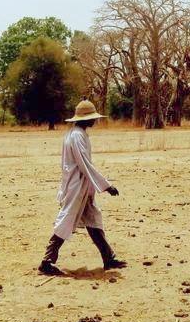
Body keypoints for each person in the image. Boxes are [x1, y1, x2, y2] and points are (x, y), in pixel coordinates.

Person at [38, 100, 127, 276]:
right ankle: (46, 262)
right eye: (92, 118)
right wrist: (106, 185)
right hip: (76, 186)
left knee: (93, 219)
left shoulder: (76, 134)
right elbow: (84, 164)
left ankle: (108, 258)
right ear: (85, 119)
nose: (95, 121)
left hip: (81, 185)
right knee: (66, 220)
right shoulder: (77, 136)